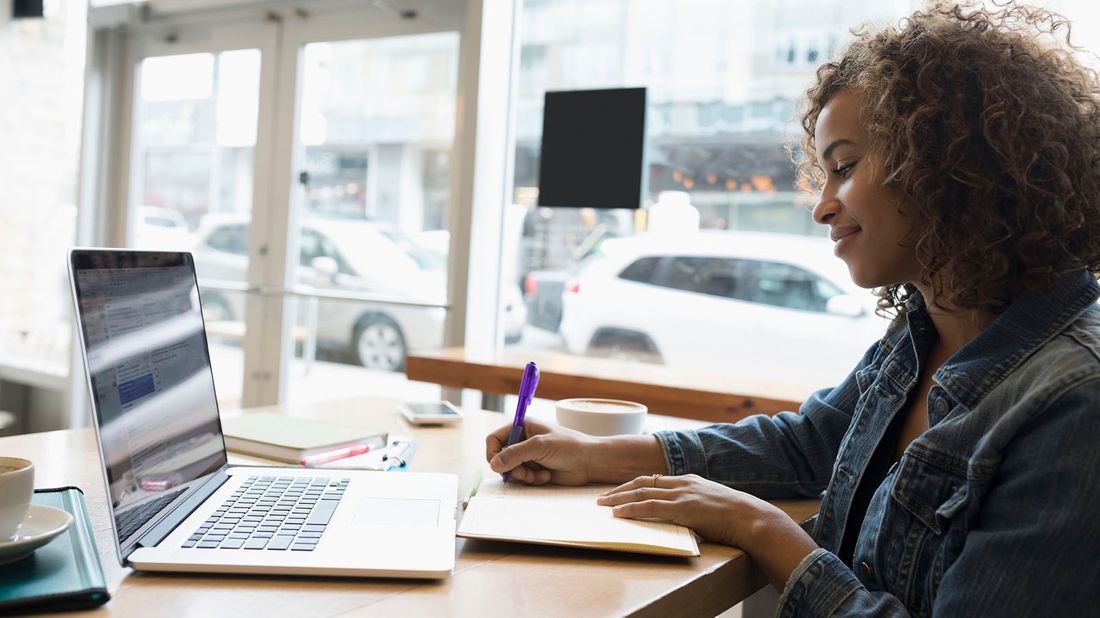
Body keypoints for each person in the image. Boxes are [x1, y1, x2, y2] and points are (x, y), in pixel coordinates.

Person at [485, 2, 1100, 615]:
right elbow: (810, 443)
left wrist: (761, 530)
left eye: (845, 167)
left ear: (954, 166)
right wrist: (593, 455)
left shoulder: (1076, 401)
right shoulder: (922, 333)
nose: (822, 207)